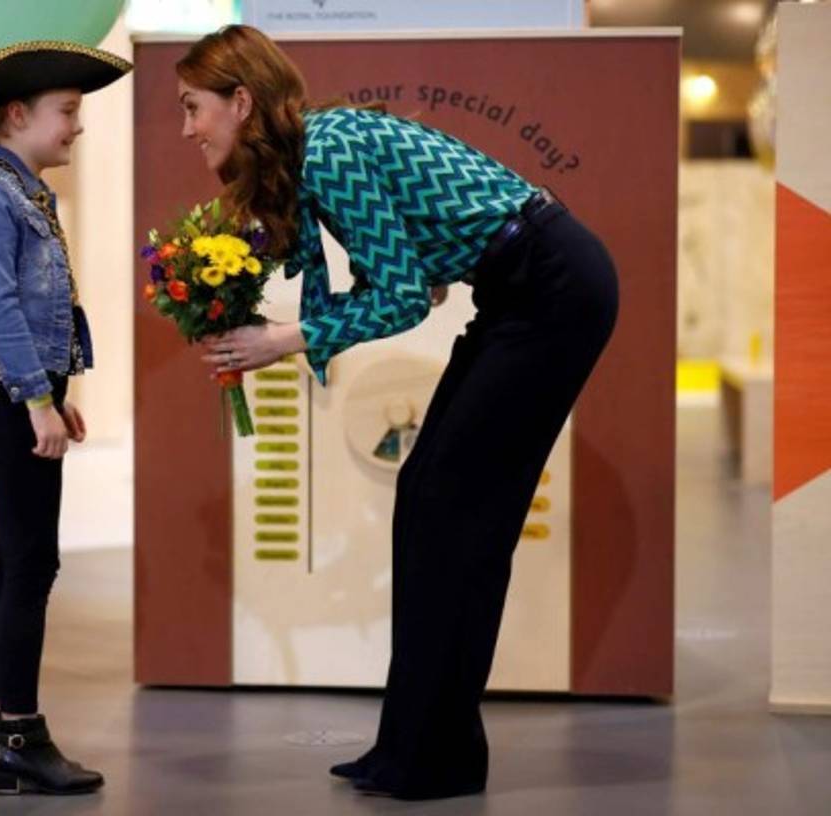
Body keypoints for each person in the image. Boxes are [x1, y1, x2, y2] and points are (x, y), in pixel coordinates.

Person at [178, 25, 618, 801]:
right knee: (427, 498)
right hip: (520, 290)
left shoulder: (328, 150)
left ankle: (438, 756)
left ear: (241, 102)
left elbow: (406, 297)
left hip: (553, 289)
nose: (188, 129)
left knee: (457, 511)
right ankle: (411, 744)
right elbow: (420, 272)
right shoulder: (314, 154)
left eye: (194, 108)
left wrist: (283, 338)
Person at [0, 40, 131, 797]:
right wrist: (35, 397)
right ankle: (20, 734)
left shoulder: (17, 191)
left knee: (12, 561)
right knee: (33, 566)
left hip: (11, 390)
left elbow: (22, 305)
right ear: (18, 115)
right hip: (6, 394)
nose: (77, 127)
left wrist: (54, 387)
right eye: (68, 112)